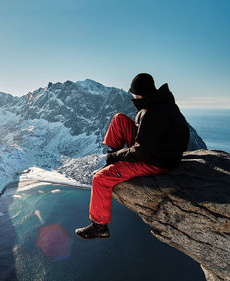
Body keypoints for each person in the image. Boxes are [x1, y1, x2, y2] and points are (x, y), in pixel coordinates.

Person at [75, 73, 190, 239]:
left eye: (134, 93)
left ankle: (99, 226)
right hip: (158, 150)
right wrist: (115, 154)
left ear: (140, 92)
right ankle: (112, 161)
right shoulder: (160, 102)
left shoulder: (153, 112)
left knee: (100, 179)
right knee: (119, 119)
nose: (133, 96)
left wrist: (116, 157)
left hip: (156, 161)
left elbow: (142, 152)